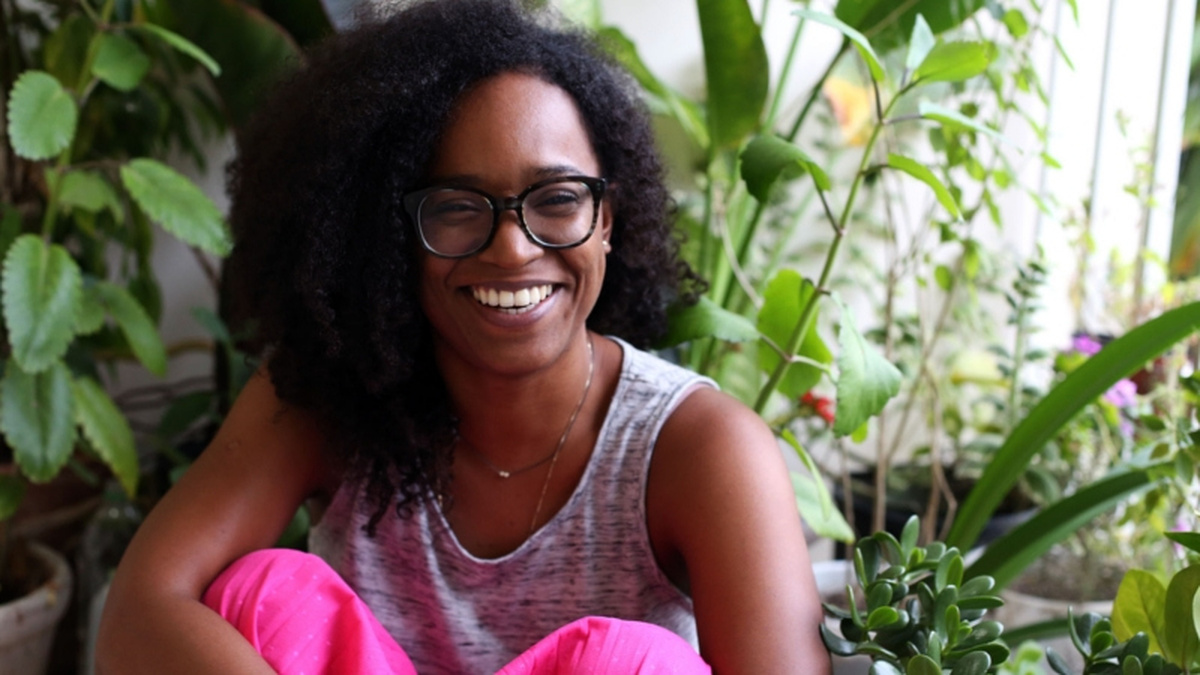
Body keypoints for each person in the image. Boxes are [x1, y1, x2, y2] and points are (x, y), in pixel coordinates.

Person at [95, 0, 829, 672]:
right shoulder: (332, 394)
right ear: (391, 237)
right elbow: (138, 613)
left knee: (630, 661)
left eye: (558, 199)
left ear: (607, 220)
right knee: (268, 591)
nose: (512, 248)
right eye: (456, 206)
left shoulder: (695, 445)